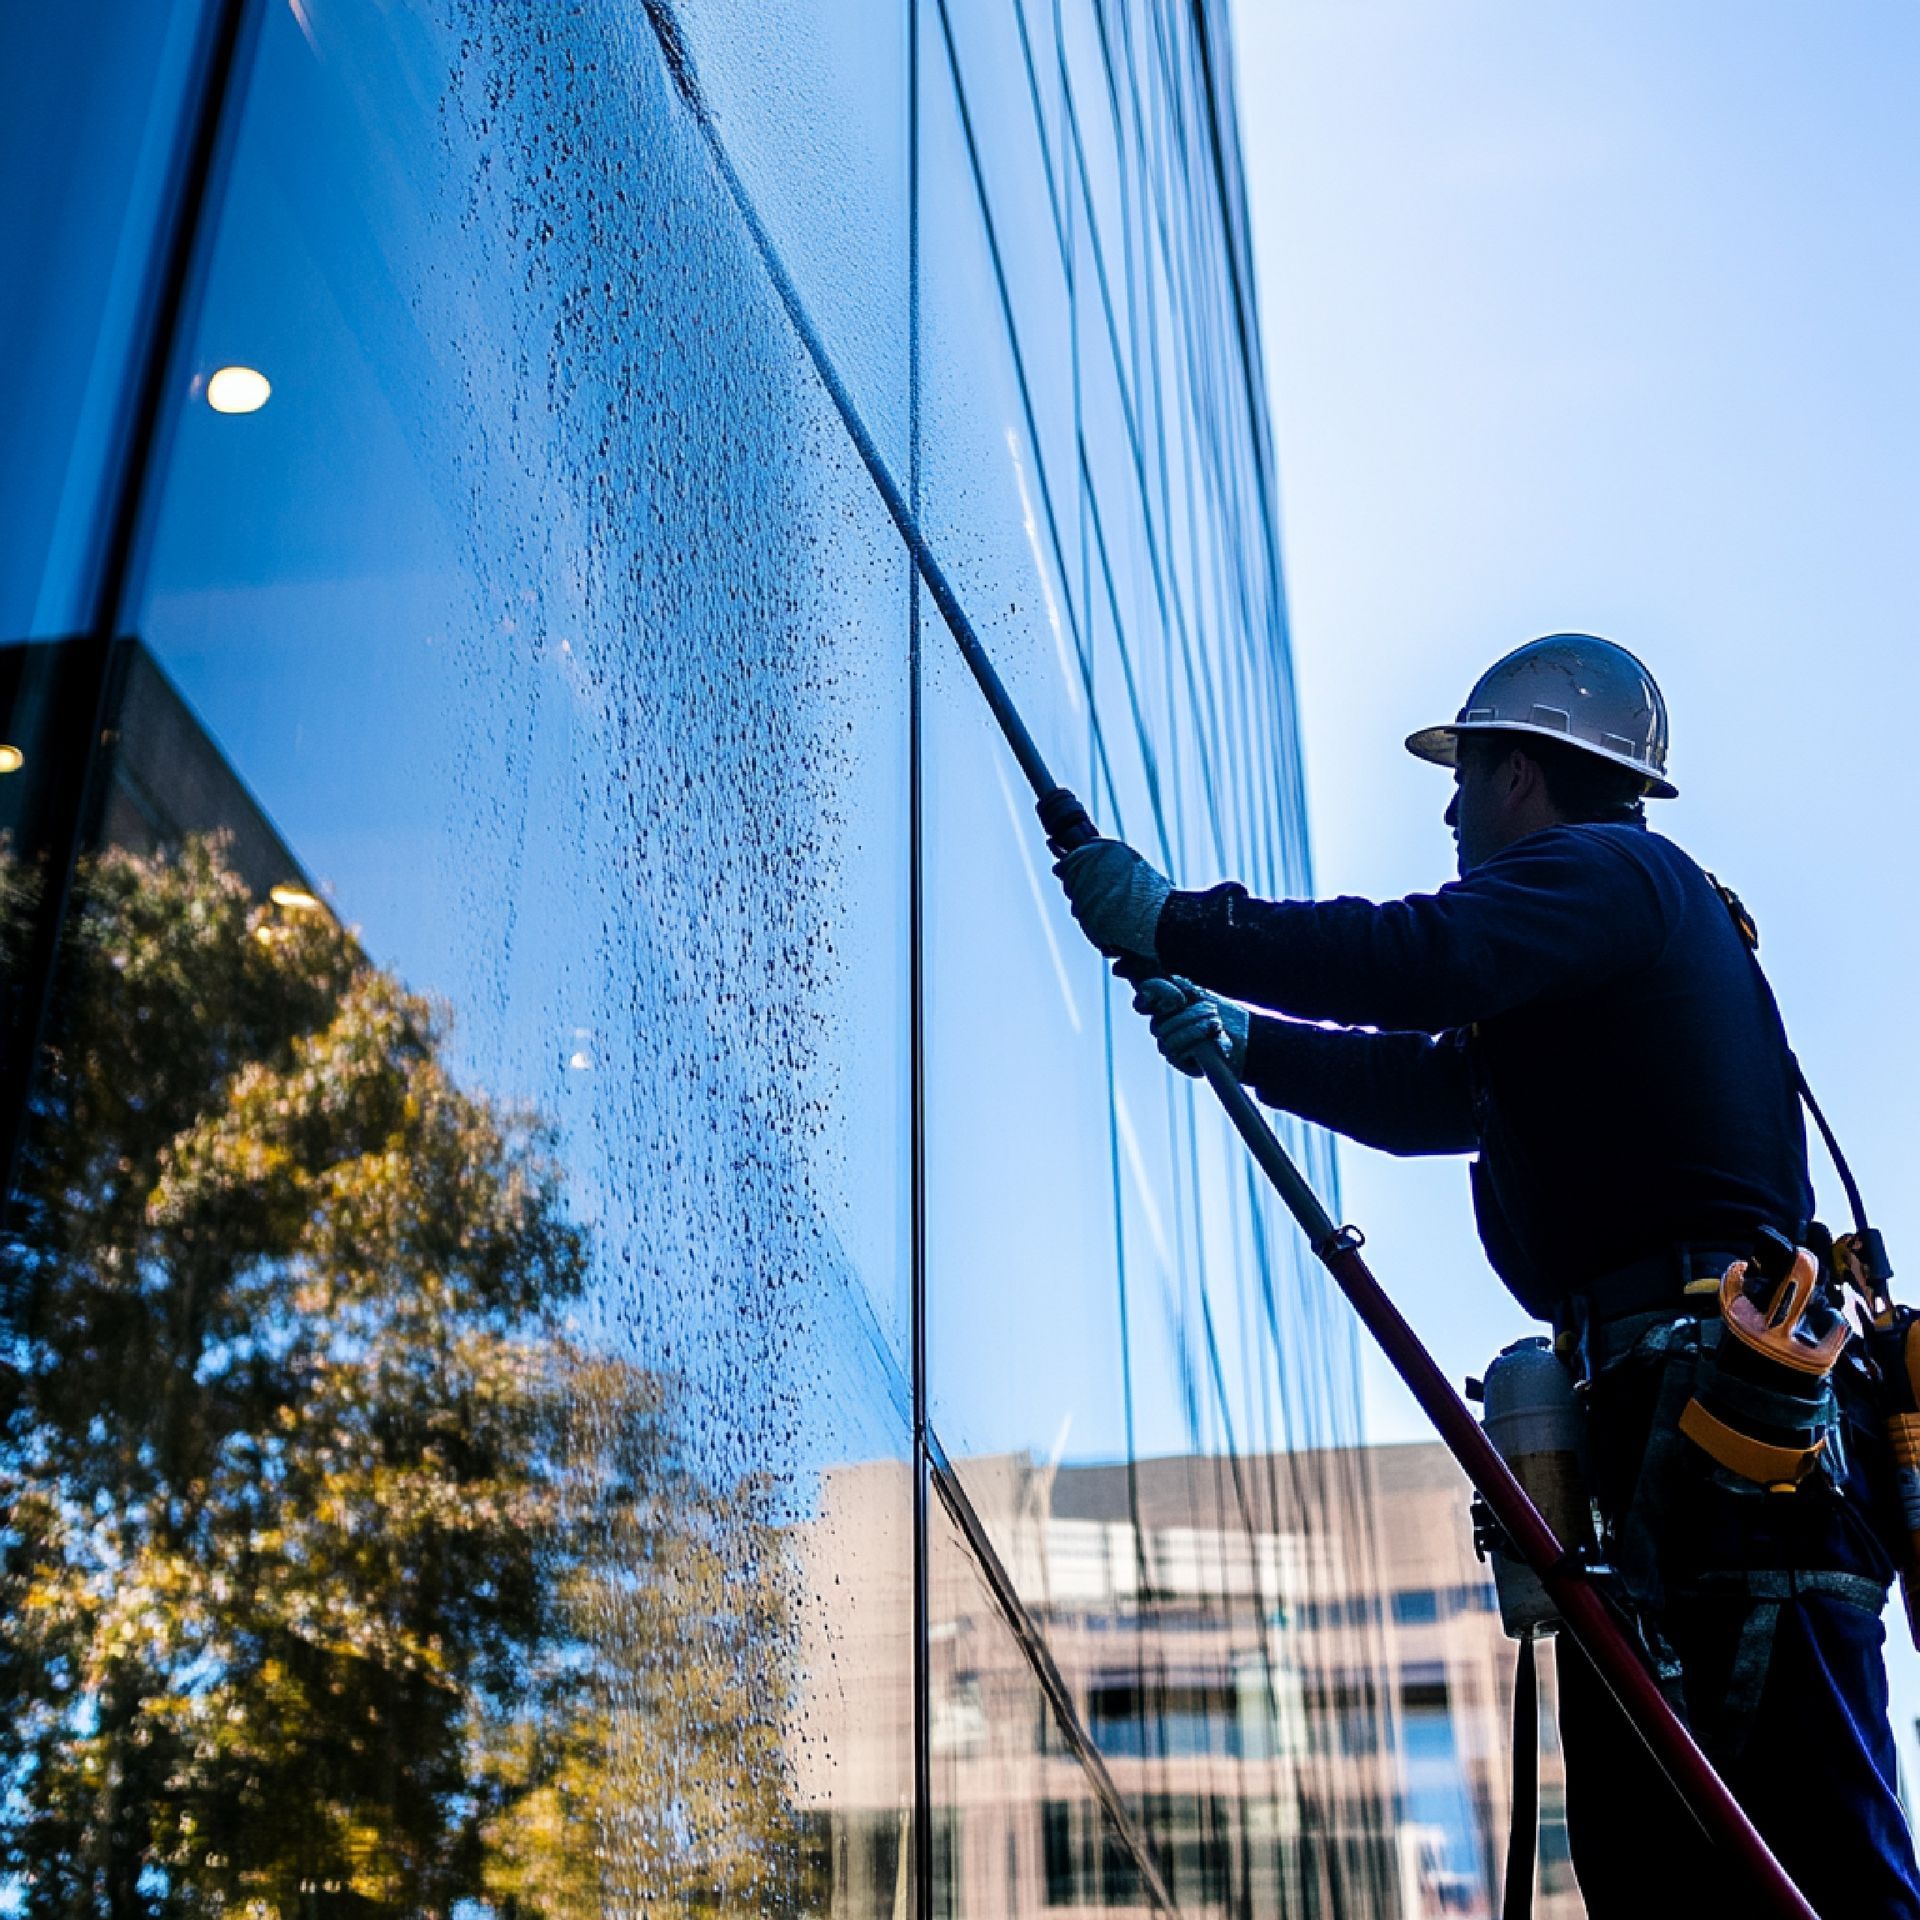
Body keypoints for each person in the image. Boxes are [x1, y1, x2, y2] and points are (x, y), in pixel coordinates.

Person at [1054, 633, 1920, 1918]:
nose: (1452, 809)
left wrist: (1189, 924)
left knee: (1804, 1858)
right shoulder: (1594, 941)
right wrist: (1248, 1042)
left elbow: (1422, 960)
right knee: (1670, 1862)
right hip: (1674, 1445)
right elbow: (1437, 1088)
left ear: (1526, 772)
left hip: (1729, 1445)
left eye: (1467, 775)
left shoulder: (1612, 873)